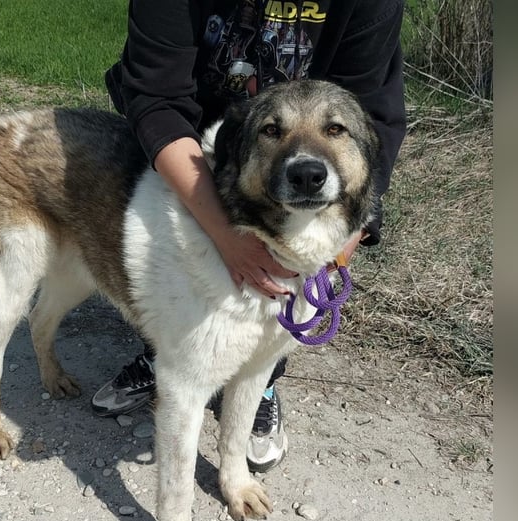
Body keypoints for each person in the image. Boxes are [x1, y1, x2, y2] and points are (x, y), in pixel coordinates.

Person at [92, 0, 406, 473]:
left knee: (276, 313)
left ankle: (259, 382)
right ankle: (167, 354)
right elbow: (156, 96)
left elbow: (373, 115)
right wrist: (224, 233)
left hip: (297, 144)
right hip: (189, 144)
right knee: (181, 299)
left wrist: (346, 234)